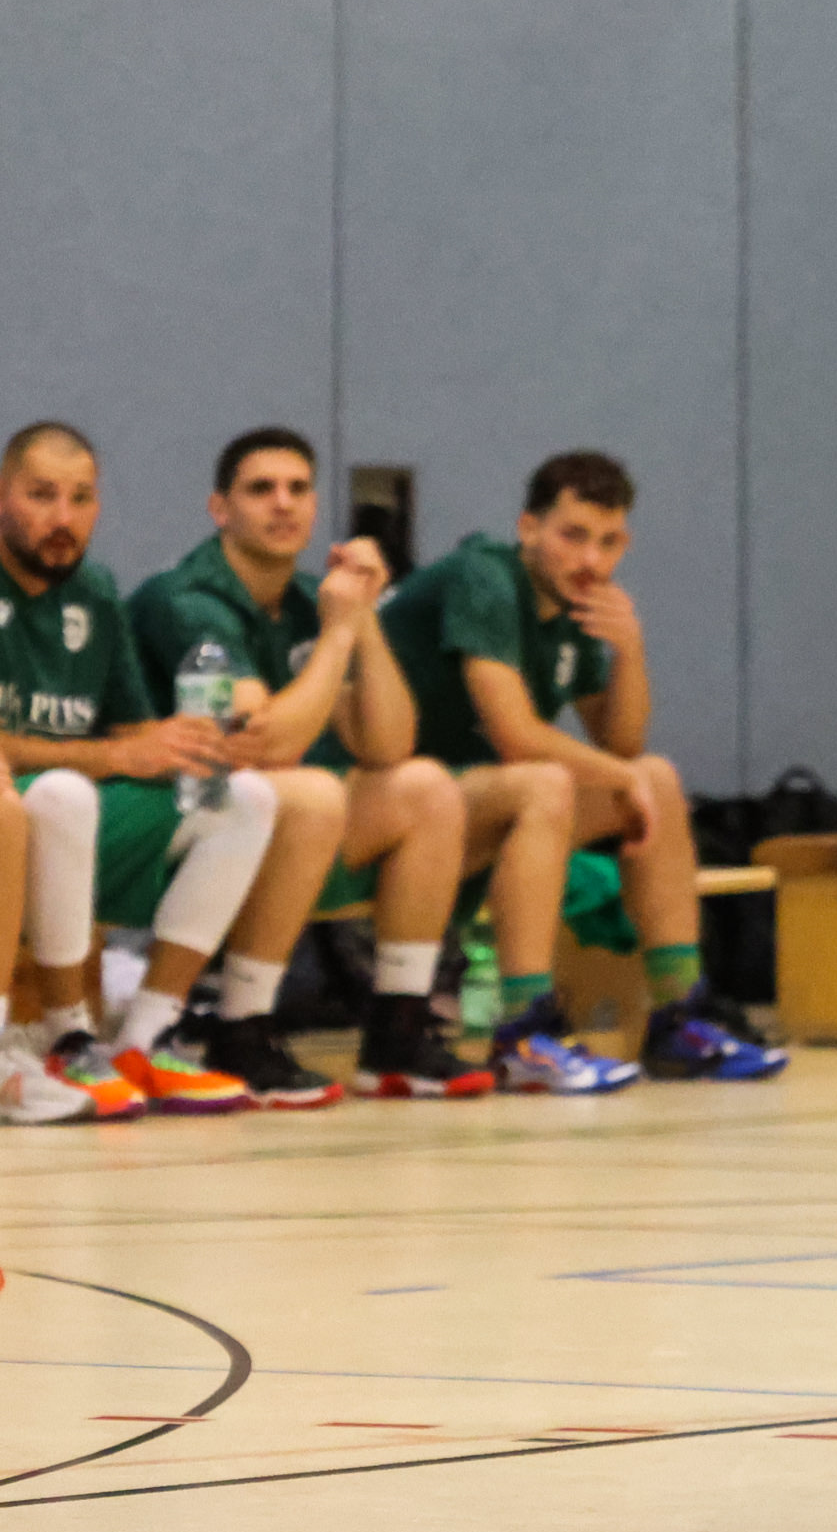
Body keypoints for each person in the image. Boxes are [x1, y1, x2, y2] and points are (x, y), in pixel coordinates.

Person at [381, 453, 776, 1091]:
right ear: (528, 528)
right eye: (573, 536)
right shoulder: (484, 576)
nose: (591, 560)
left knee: (656, 778)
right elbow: (515, 735)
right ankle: (523, 1030)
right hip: (383, 806)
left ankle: (681, 1015)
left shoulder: (573, 605)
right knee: (547, 783)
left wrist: (630, 650)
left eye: (609, 542)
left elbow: (621, 741)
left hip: (468, 805)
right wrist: (619, 777)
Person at [130, 427, 496, 1099]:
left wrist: (364, 620)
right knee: (305, 791)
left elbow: (387, 744)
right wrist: (335, 635)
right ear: (220, 508)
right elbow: (262, 743)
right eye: (261, 488)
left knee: (426, 788)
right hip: (173, 822)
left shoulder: (309, 599)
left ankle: (397, 1027)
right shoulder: (184, 598)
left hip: (275, 824)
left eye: (298, 488)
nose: (284, 502)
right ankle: (241, 1026)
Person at [0, 422, 273, 1116]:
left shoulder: (94, 593)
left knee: (242, 796)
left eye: (81, 498)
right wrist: (112, 756)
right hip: (28, 809)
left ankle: (148, 1036)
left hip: (69, 821)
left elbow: (130, 730)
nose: (63, 518)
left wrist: (197, 743)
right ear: (3, 496)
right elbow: (106, 752)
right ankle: (68, 1035)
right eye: (41, 495)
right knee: (64, 793)